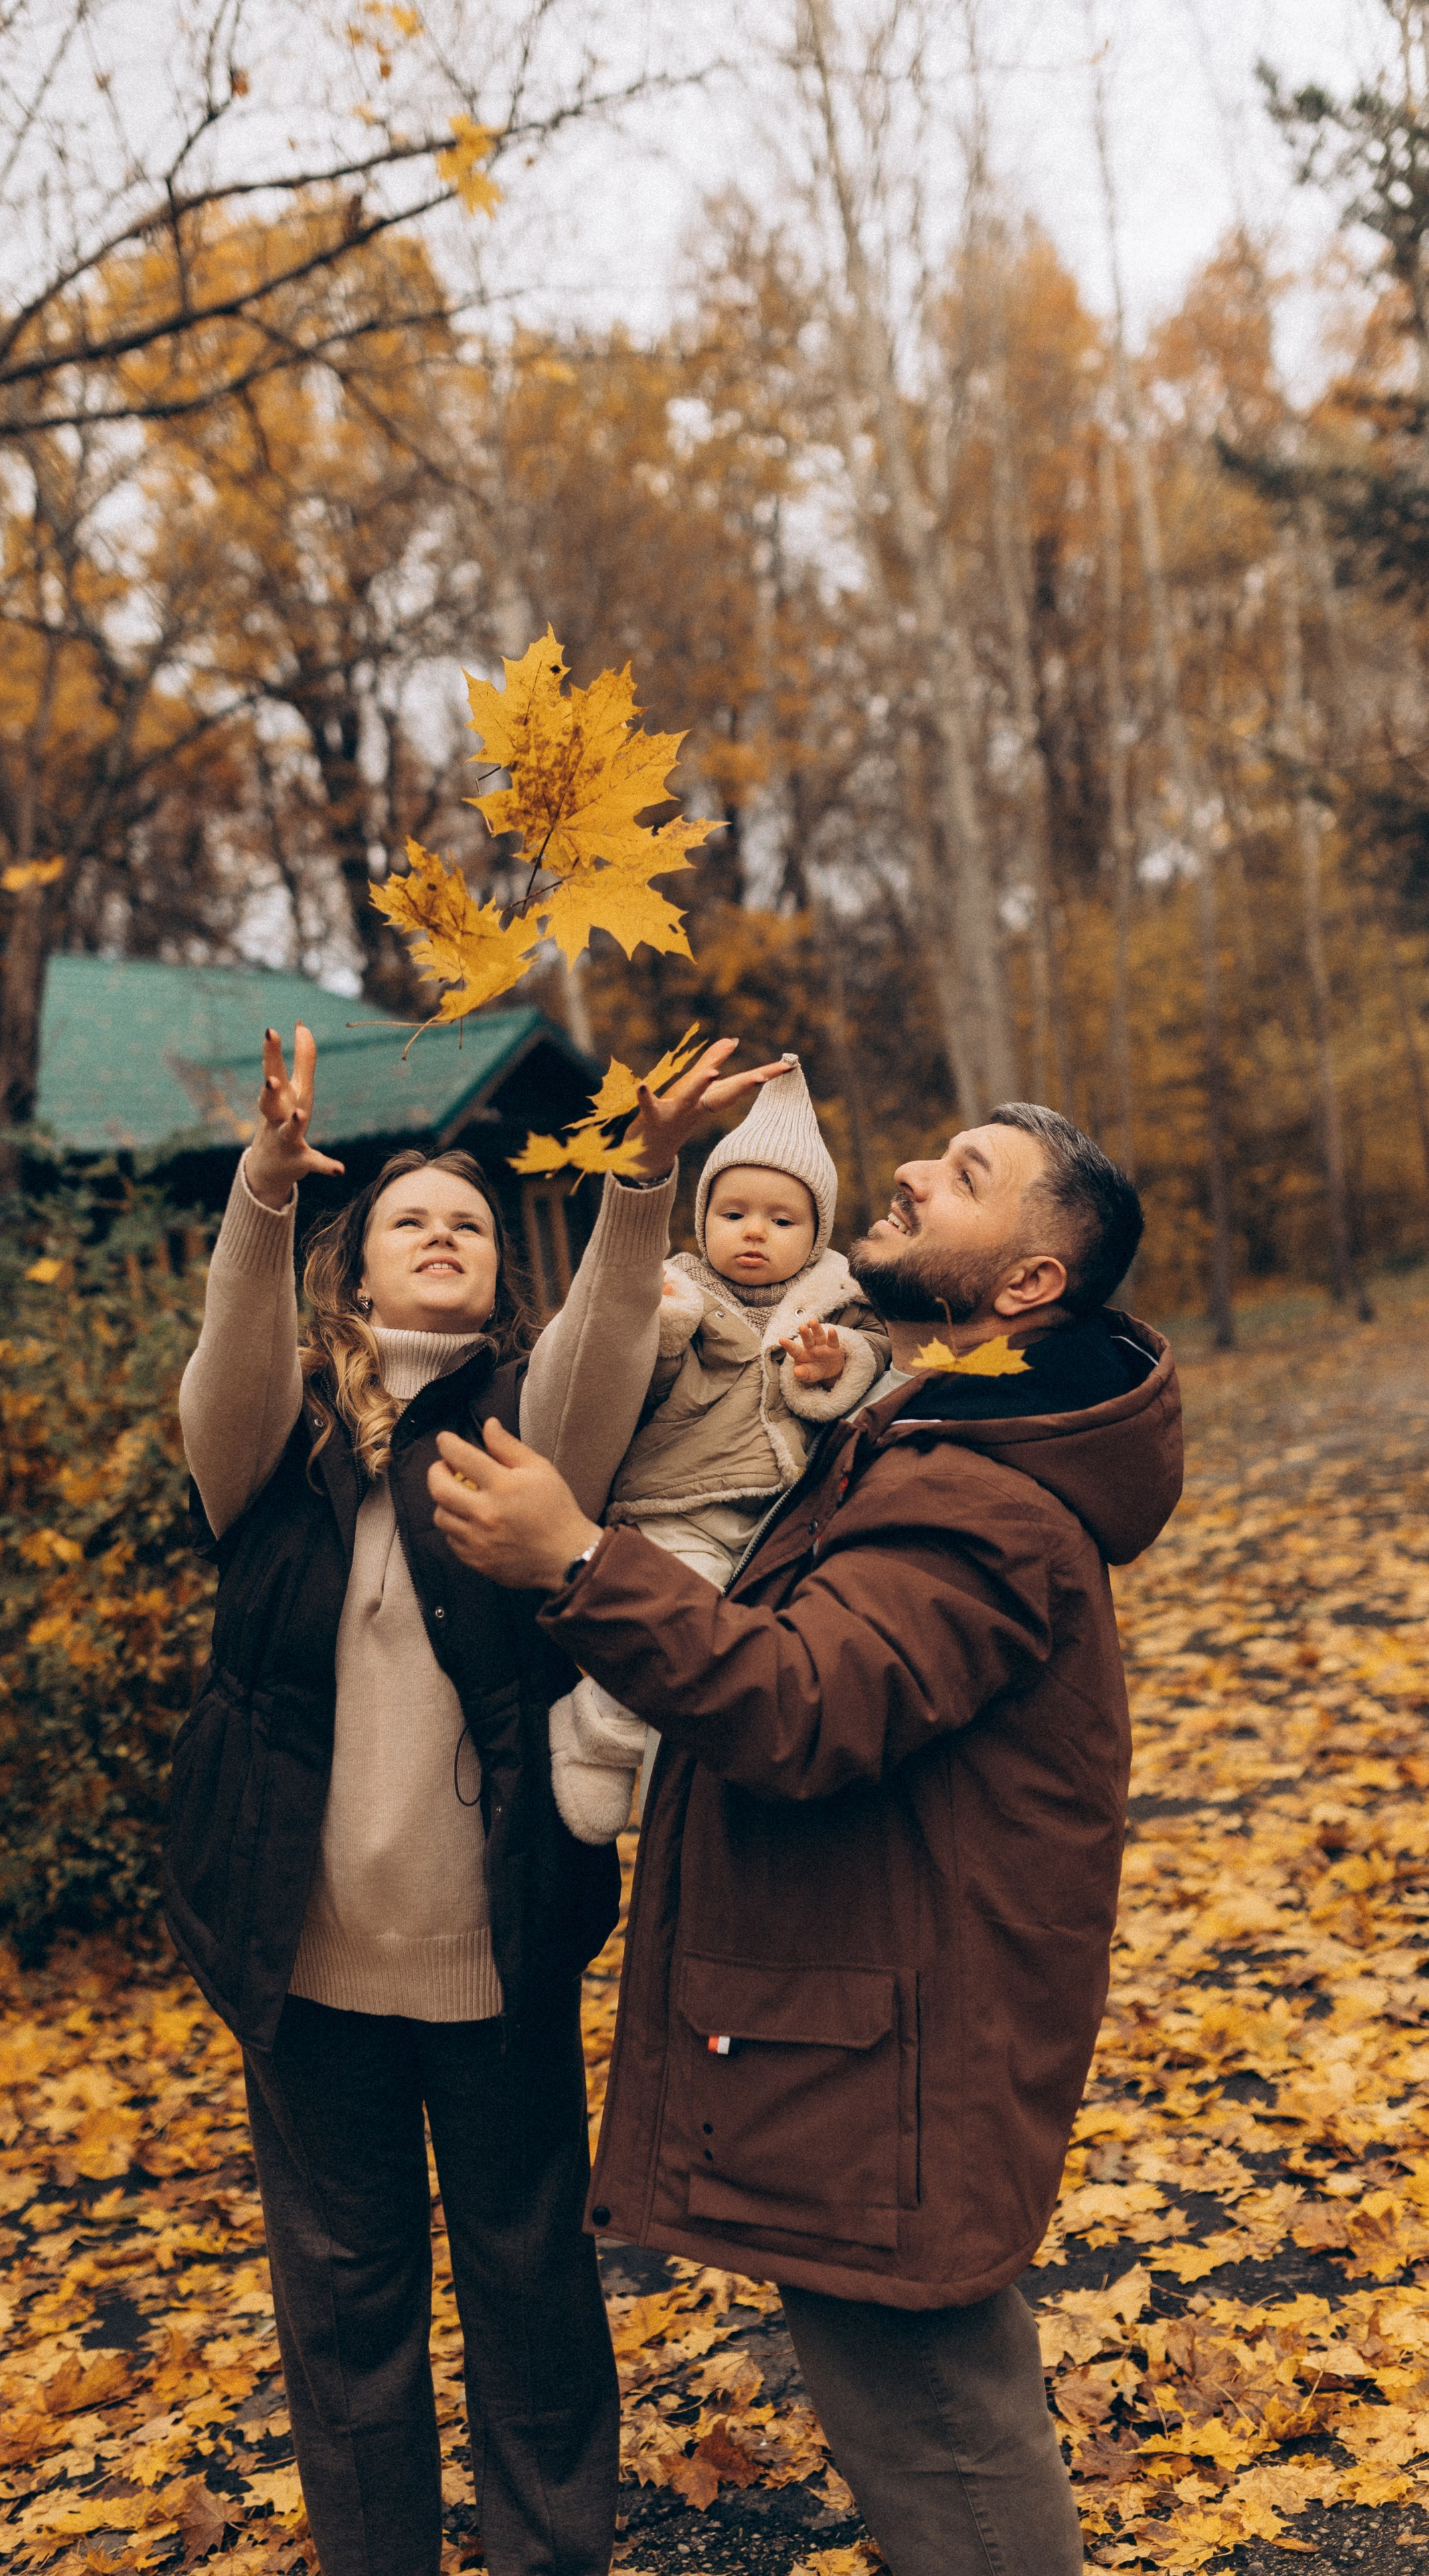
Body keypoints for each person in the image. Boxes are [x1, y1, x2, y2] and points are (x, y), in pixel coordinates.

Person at [424, 1102, 1184, 2576]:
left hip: (897, 2047)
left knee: (946, 2448)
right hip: (874, 2030)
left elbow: (802, 1702)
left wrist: (579, 1559)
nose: (907, 1171)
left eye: (963, 1178)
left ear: (1028, 1284)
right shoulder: (924, 1427)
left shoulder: (981, 1494)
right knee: (918, 2418)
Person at [163, 1020, 790, 2576]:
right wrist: (263, 1190)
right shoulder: (277, 1441)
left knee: (527, 2279)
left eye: (464, 1219)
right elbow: (222, 1366)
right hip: (299, 1960)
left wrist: (640, 1174)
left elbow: (599, 1335)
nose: (438, 1230)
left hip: (491, 1947)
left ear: (491, 1266)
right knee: (342, 2293)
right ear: (355, 1276)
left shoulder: (527, 1430)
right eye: (402, 1220)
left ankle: (548, 2551)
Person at [548, 1053, 888, 1843]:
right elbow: (638, 1376)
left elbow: (871, 1353)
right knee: (673, 1613)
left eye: (781, 1218)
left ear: (816, 1233)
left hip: (777, 1517)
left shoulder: (837, 1292)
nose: (754, 1233)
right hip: (684, 1500)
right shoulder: (678, 1283)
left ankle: (663, 1764)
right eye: (734, 1213)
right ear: (703, 1219)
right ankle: (598, 1734)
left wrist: (830, 1362)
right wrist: (663, 1328)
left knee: (738, 1657)